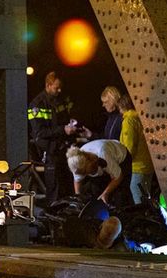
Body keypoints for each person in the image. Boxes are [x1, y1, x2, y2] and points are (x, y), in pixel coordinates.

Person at [28, 71, 87, 206]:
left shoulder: (61, 100)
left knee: (68, 187)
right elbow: (39, 132)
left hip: (65, 150)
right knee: (54, 191)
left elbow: (65, 116)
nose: (59, 90)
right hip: (51, 151)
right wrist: (63, 130)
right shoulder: (37, 104)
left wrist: (71, 123)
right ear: (48, 85)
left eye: (60, 87)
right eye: (56, 88)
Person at [66, 138, 133, 208]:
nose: (85, 175)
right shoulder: (76, 163)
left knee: (120, 196)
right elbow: (77, 181)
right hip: (102, 166)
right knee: (97, 196)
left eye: (86, 172)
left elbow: (118, 177)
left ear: (90, 162)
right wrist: (78, 199)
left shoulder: (103, 153)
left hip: (121, 159)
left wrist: (105, 193)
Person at [117, 93, 158, 204]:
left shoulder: (128, 121)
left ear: (122, 107)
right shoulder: (140, 118)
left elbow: (129, 146)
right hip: (148, 163)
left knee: (137, 192)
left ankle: (145, 218)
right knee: (146, 194)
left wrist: (123, 161)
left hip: (138, 165)